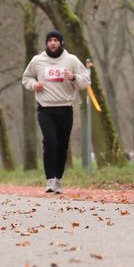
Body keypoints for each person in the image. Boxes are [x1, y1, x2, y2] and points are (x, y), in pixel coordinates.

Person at [22, 30, 91, 195]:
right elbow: (26, 79)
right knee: (50, 142)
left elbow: (86, 80)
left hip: (66, 107)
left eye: (56, 40)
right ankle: (50, 179)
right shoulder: (37, 61)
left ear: (61, 42)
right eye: (50, 40)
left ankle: (58, 178)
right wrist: (34, 85)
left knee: (62, 145)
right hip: (45, 108)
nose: (52, 43)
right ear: (46, 43)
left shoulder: (71, 60)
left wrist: (73, 77)